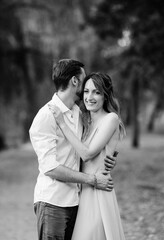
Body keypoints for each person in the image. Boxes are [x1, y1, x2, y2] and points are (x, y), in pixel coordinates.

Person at [29, 60, 118, 240]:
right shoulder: (46, 116)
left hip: (77, 201)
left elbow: (91, 145)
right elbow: (50, 168)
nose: (86, 88)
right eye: (84, 81)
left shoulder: (78, 113)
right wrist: (93, 179)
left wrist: (108, 157)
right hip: (53, 202)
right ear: (75, 81)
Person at [48, 72, 127, 240]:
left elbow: (87, 154)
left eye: (97, 92)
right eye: (86, 91)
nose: (90, 97)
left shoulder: (111, 118)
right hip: (81, 193)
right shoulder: (84, 121)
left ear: (105, 96)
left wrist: (62, 123)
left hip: (98, 193)